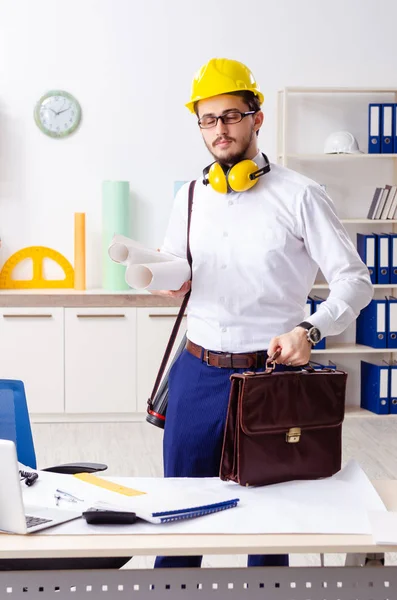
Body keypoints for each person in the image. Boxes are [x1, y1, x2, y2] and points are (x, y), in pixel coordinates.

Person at [151, 57, 373, 569]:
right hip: (197, 372)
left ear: (257, 117)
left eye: (230, 115)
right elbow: (175, 266)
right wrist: (166, 278)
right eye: (208, 119)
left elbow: (356, 281)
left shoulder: (301, 195)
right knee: (180, 520)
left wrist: (311, 329)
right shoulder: (187, 197)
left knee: (268, 526)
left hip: (269, 376)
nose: (219, 130)